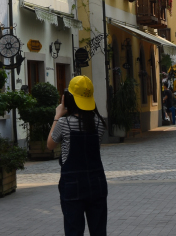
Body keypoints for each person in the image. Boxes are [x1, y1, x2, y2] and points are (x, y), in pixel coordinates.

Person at [47, 76, 108, 236]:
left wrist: (57, 115)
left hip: (73, 186)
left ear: (70, 99)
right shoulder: (99, 123)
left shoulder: (64, 123)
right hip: (97, 183)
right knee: (99, 231)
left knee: (74, 231)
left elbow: (50, 144)